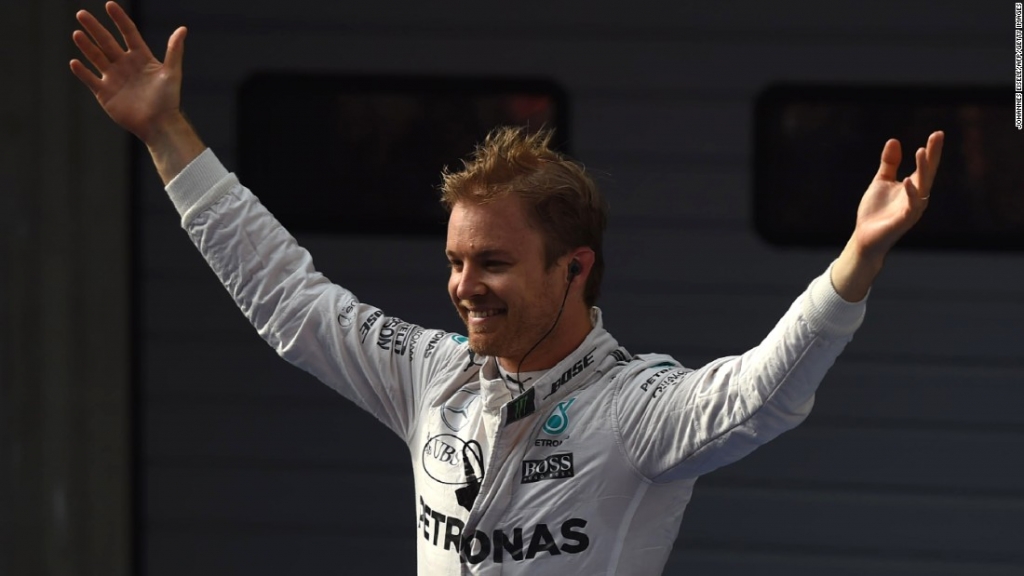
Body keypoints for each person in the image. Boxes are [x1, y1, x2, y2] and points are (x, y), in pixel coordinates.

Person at [70, 3, 944, 575]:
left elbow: (764, 392)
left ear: (575, 267)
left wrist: (854, 264)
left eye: (492, 263)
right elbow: (288, 299)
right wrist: (166, 134)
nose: (463, 287)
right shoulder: (432, 373)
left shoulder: (637, 410)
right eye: (456, 261)